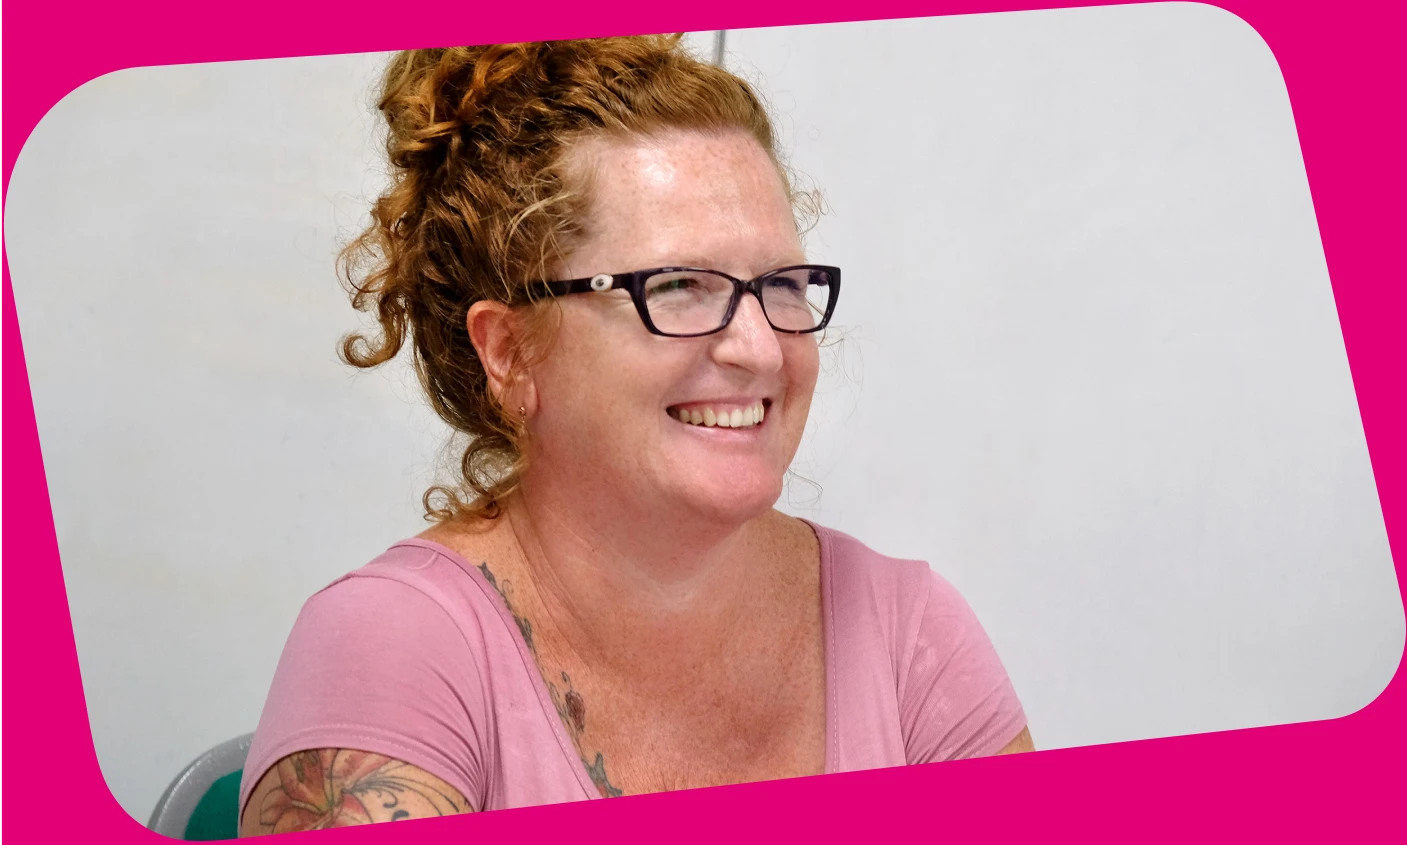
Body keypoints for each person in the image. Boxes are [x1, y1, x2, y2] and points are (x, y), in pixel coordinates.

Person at [238, 35, 1031, 835]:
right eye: (679, 285)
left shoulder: (907, 632)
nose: (760, 349)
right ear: (510, 352)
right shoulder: (390, 648)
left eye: (781, 284)